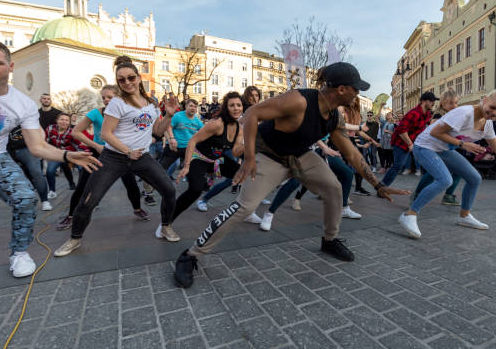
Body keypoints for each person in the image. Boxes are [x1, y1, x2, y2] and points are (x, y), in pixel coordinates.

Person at [172, 62, 409, 288]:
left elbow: (354, 156)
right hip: (269, 155)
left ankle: (329, 240)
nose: (358, 94)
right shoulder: (299, 100)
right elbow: (253, 113)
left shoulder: (334, 117)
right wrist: (251, 158)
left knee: (334, 188)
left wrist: (379, 185)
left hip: (300, 155)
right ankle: (190, 255)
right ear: (342, 89)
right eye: (356, 89)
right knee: (244, 207)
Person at [0, 39, 100, 277]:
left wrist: (66, 155)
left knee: (25, 198)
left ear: (10, 67)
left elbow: (37, 146)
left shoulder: (22, 104)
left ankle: (19, 253)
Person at [53, 57, 178, 257]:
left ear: (138, 78)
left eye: (130, 78)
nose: (127, 82)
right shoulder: (117, 103)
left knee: (169, 190)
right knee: (88, 201)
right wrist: (127, 150)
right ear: (118, 82)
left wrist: (169, 115)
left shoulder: (152, 103)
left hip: (142, 157)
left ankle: (165, 226)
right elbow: (106, 134)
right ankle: (75, 239)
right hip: (114, 157)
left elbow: (157, 131)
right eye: (121, 80)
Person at [398, 85, 496, 239]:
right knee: (445, 180)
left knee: (474, 178)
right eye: (492, 108)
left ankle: (464, 216)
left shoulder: (488, 123)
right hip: (424, 146)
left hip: (443, 149)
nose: (494, 113)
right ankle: (409, 214)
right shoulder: (464, 113)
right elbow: (435, 132)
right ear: (485, 100)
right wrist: (463, 145)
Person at [55, 84, 150, 230]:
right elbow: (76, 132)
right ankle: (71, 216)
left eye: (110, 97)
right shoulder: (95, 113)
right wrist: (96, 145)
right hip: (99, 153)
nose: (106, 100)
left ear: (118, 97)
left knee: (131, 184)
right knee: (83, 186)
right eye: (103, 97)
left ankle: (137, 209)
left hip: (121, 154)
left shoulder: (127, 112)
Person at [163, 92, 246, 240]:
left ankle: (247, 211)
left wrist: (250, 143)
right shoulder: (217, 124)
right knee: (195, 189)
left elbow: (235, 151)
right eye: (232, 105)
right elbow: (193, 141)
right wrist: (186, 166)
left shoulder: (239, 128)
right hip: (198, 158)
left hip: (216, 161)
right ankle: (166, 223)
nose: (236, 108)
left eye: (238, 105)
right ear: (226, 108)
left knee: (243, 174)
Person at [412, 90, 461, 205]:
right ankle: (418, 194)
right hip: (435, 148)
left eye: (456, 103)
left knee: (457, 170)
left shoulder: (452, 114)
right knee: (433, 173)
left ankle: (448, 195)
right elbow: (435, 131)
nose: (454, 106)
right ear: (443, 103)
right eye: (450, 103)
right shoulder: (439, 114)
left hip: (446, 148)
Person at [380, 92, 436, 188]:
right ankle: (382, 187)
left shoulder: (426, 114)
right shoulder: (413, 113)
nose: (433, 103)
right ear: (423, 101)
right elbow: (402, 130)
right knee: (398, 166)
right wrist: (410, 144)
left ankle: (423, 188)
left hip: (413, 142)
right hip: (400, 143)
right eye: (431, 101)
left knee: (427, 163)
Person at [7, 126, 52, 211]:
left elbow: (39, 129)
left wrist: (40, 146)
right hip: (6, 149)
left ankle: (44, 201)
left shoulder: (26, 114)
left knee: (36, 172)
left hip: (27, 148)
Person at [45, 113, 88, 195]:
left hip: (71, 154)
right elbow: (45, 141)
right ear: (57, 121)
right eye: (61, 119)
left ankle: (81, 189)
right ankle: (52, 191)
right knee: (50, 171)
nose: (64, 122)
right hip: (56, 154)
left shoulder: (72, 132)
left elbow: (79, 144)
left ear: (69, 122)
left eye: (66, 120)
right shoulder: (50, 128)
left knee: (82, 168)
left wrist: (87, 153)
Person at [160, 98, 203, 173]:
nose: (193, 108)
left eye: (195, 107)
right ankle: (162, 180)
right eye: (191, 106)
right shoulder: (178, 115)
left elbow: (204, 132)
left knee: (195, 169)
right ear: (186, 106)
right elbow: (168, 126)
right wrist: (172, 139)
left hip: (188, 148)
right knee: (161, 169)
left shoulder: (197, 121)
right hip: (174, 147)